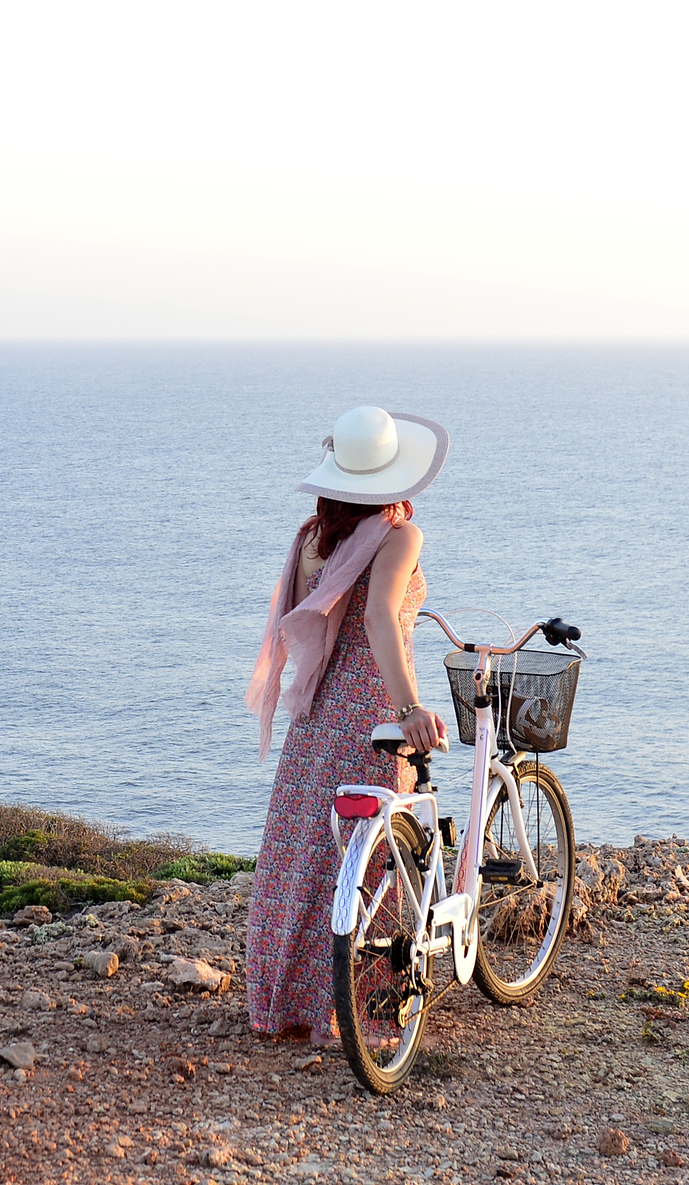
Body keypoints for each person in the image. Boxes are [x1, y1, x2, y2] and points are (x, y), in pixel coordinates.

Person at [244, 405, 450, 1042]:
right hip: (367, 709)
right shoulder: (396, 536)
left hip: (316, 710)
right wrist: (409, 708)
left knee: (305, 852)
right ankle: (364, 1010)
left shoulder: (312, 536)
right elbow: (379, 619)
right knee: (377, 855)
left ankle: (286, 1003)